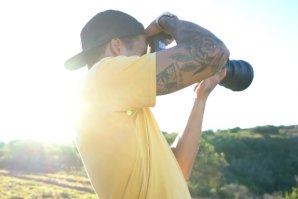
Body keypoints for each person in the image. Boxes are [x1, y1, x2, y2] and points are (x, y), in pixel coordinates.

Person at [64, 10, 229, 199]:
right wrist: (164, 22)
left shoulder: (119, 103)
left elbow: (180, 170)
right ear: (116, 46)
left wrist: (199, 99)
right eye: (142, 52)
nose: (145, 58)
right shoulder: (103, 76)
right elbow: (214, 51)